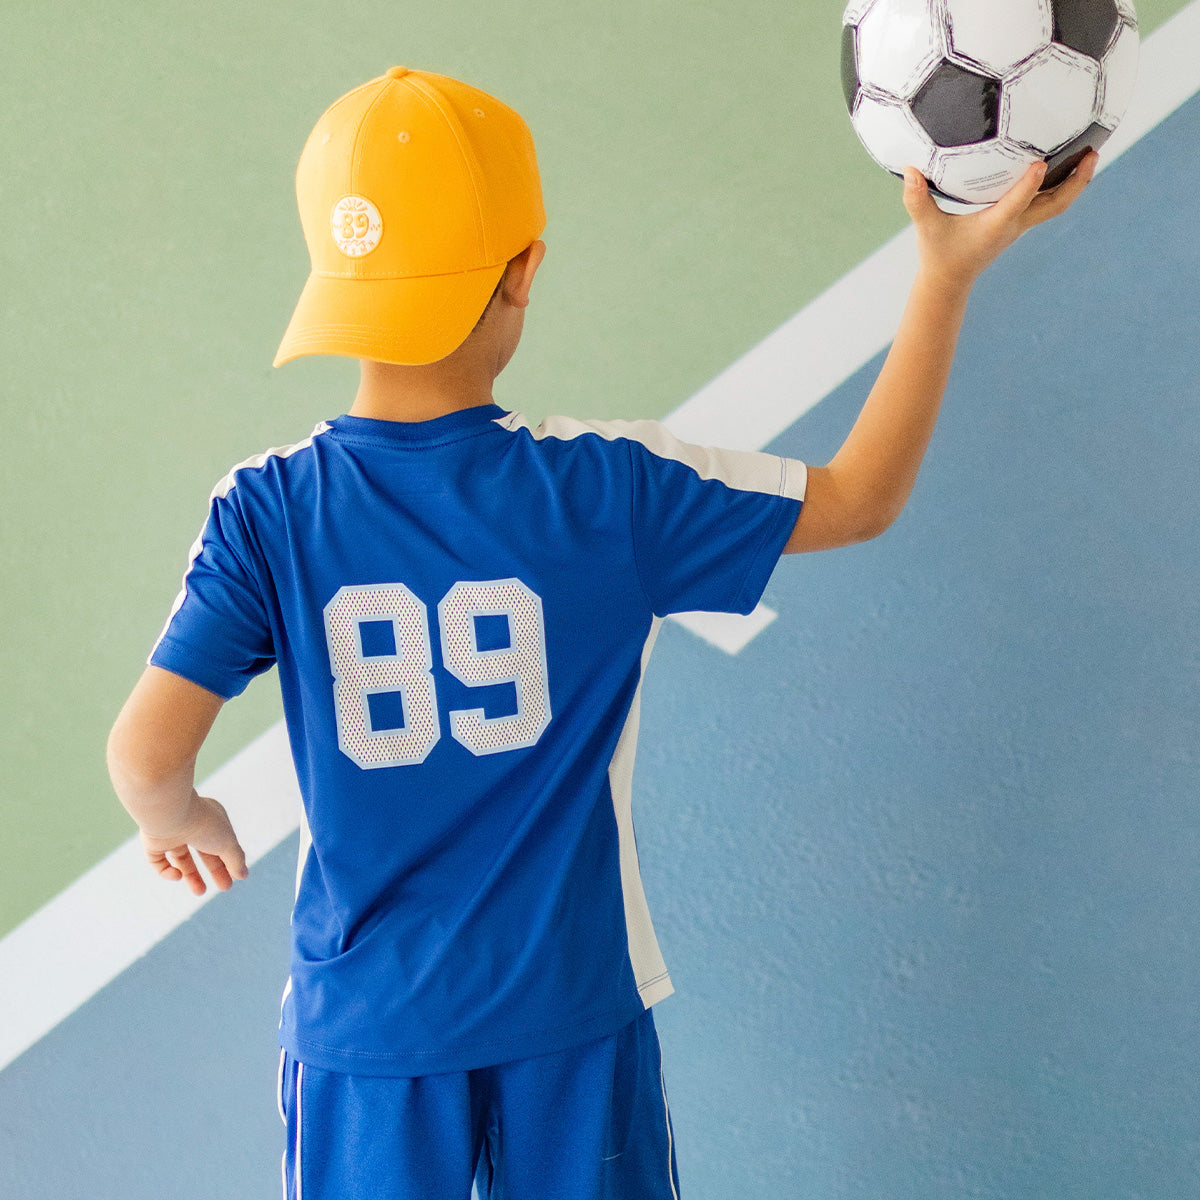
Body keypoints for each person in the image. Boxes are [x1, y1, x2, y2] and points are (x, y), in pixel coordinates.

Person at [106, 66, 1095, 1200]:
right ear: (523, 268)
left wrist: (180, 815)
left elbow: (144, 757)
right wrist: (945, 275)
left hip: (366, 1038)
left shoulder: (265, 510)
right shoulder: (612, 490)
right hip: (569, 1015)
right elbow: (861, 497)